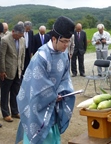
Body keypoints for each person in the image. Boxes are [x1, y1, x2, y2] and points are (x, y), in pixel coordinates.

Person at [16, 16, 76, 144]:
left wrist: (62, 92)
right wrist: (53, 95)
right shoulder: (41, 56)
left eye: (68, 41)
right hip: (38, 105)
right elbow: (37, 84)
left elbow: (65, 78)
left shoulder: (64, 54)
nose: (66, 45)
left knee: (52, 135)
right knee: (39, 135)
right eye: (64, 41)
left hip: (53, 105)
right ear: (54, 39)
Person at [0, 24, 25, 122]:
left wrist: (21, 67)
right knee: (5, 93)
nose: (19, 37)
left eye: (21, 36)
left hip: (18, 71)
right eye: (18, 35)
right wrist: (2, 71)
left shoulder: (22, 40)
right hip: (7, 71)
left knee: (15, 92)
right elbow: (2, 56)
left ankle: (15, 111)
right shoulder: (5, 40)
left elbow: (23, 55)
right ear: (13, 31)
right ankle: (5, 113)